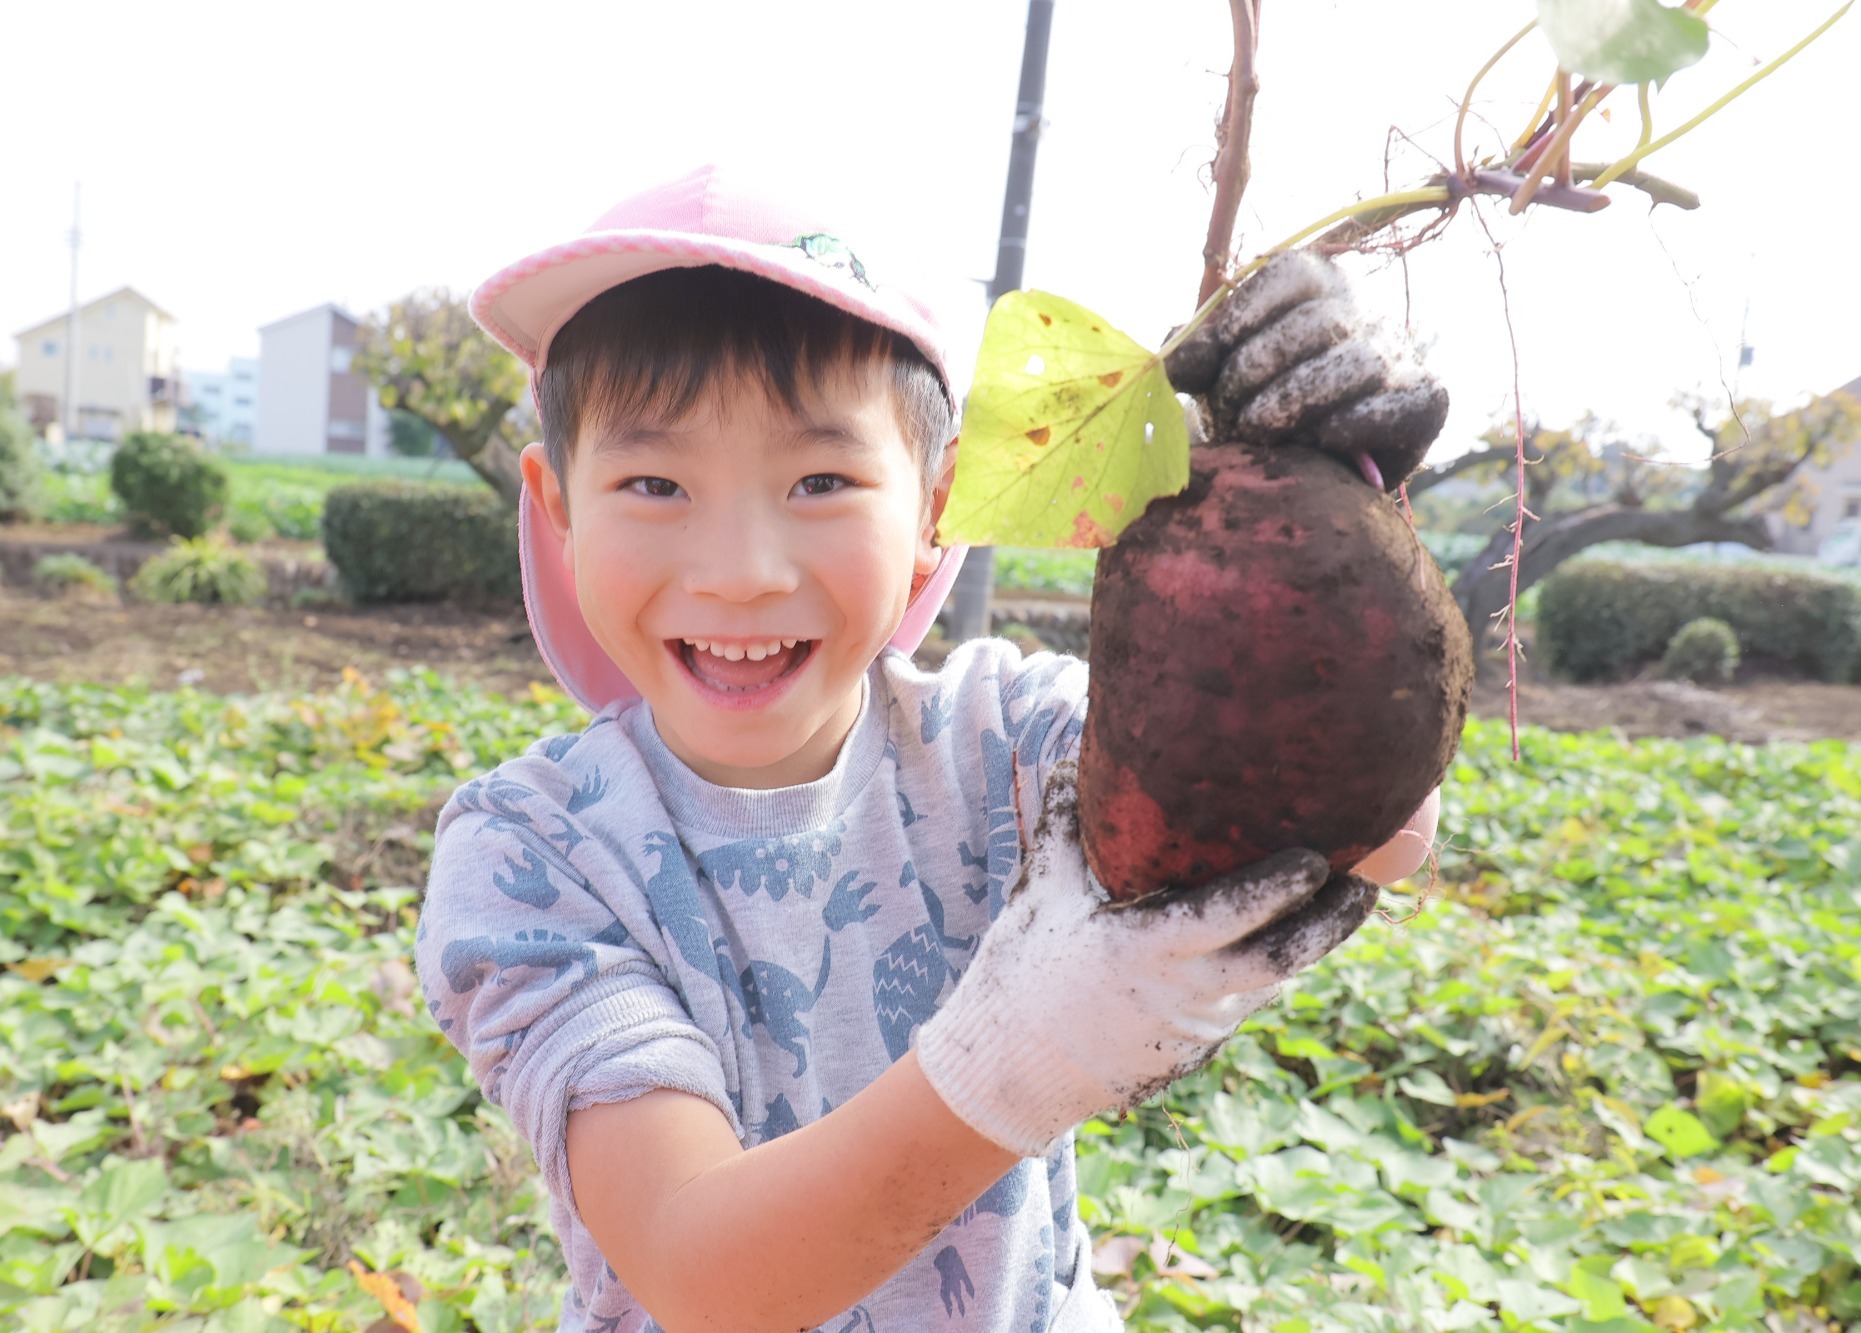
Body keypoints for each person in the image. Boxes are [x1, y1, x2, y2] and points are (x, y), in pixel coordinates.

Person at [413, 163, 1443, 1333]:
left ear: (935, 508)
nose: (740, 568)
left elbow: (1368, 830)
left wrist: (1333, 506)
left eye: (821, 480)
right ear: (555, 505)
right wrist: (1031, 1043)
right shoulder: (533, 852)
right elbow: (704, 1275)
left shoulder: (1004, 743)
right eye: (654, 481)